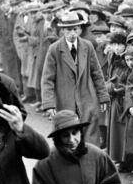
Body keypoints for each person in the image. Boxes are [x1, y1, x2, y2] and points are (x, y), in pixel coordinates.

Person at [41, 12, 110, 145]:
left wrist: (103, 97)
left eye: (75, 29)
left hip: (87, 98)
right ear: (62, 30)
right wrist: (49, 104)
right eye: (68, 29)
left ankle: (90, 161)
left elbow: (97, 73)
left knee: (90, 136)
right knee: (68, 136)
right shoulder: (54, 49)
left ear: (79, 29)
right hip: (65, 100)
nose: (72, 33)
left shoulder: (87, 46)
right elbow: (47, 79)